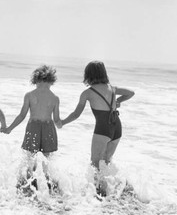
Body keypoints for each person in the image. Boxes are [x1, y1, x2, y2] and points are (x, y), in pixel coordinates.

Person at [57, 60, 135, 196]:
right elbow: (131, 92)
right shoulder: (112, 88)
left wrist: (63, 122)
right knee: (106, 160)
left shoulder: (87, 93)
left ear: (88, 75)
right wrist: (118, 101)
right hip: (117, 126)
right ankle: (120, 186)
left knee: (95, 161)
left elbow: (76, 114)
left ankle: (98, 190)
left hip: (103, 127)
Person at [2, 65, 61, 193]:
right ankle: (45, 182)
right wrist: (63, 123)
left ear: (36, 80)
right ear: (51, 81)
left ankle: (29, 181)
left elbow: (22, 115)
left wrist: (10, 128)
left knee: (29, 156)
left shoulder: (29, 95)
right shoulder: (55, 98)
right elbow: (57, 120)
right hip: (48, 128)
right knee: (46, 157)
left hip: (33, 126)